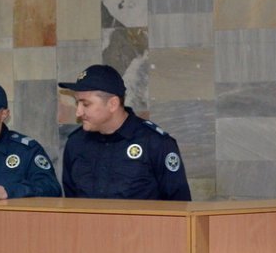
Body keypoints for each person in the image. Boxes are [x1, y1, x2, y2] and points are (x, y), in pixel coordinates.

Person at [58, 64, 191, 201]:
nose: (78, 112)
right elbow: (72, 205)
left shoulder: (155, 144)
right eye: (77, 103)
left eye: (86, 104)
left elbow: (179, 205)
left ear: (113, 104)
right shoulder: (76, 144)